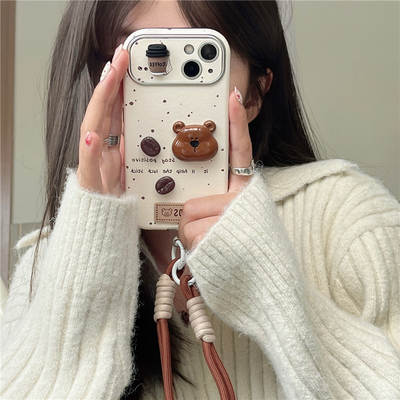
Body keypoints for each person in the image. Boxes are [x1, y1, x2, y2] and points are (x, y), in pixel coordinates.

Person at [1, 1, 399, 399]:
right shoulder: (45, 267)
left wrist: (273, 287)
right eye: (135, 59)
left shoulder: (347, 220)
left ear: (255, 93)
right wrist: (86, 263)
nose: (170, 97)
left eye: (199, 59)